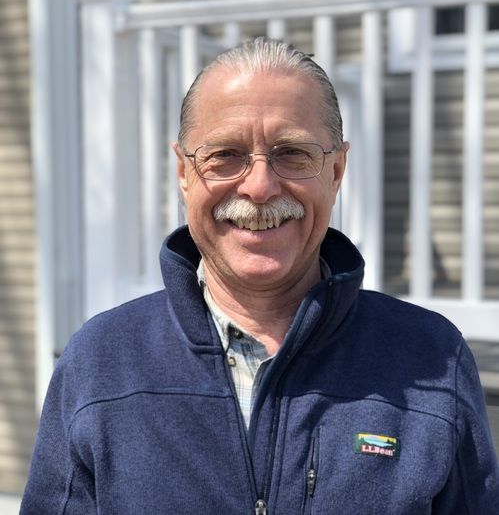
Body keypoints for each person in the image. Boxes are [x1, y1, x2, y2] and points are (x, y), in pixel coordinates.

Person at [22, 37, 498, 514]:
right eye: (225, 154)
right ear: (184, 173)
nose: (259, 186)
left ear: (335, 171)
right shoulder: (101, 363)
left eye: (291, 153)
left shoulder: (430, 358)